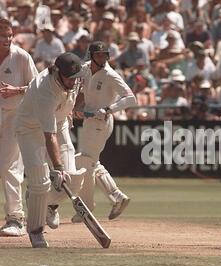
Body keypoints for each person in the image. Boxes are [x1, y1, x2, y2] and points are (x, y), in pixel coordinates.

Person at [15, 52, 86, 247]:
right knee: (40, 182)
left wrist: (70, 109)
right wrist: (57, 167)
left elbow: (82, 88)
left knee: (72, 178)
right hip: (30, 129)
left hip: (60, 123)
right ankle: (36, 231)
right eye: (69, 78)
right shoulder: (44, 90)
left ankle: (49, 205)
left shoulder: (77, 75)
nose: (73, 82)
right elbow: (49, 136)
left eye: (75, 78)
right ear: (56, 72)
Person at [72, 41, 137, 223]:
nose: (102, 58)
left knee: (85, 161)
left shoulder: (110, 74)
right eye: (99, 55)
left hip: (101, 121)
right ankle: (117, 197)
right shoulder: (84, 69)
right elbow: (79, 90)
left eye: (104, 55)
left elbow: (131, 98)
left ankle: (86, 208)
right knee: (91, 162)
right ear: (91, 56)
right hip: (89, 120)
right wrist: (76, 107)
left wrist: (108, 109)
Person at [0, 18, 38, 237]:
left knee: (9, 167)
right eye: (2, 35)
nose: (6, 39)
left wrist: (17, 89)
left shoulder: (22, 56)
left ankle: (16, 218)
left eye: (9, 35)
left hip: (15, 117)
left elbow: (36, 86)